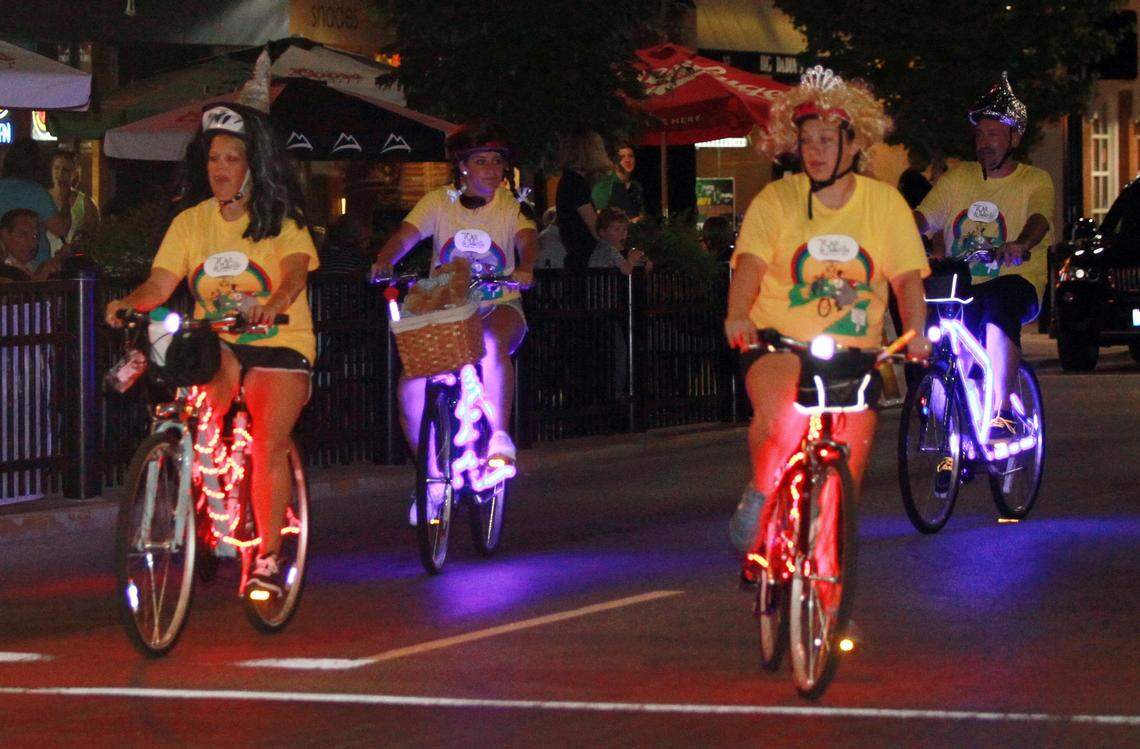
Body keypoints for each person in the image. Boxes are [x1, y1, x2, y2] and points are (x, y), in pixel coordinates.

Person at [105, 101, 319, 598]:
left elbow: (293, 271)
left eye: (231, 159)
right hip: (219, 341)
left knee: (267, 438)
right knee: (195, 400)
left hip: (279, 344)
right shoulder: (191, 223)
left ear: (252, 166)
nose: (220, 169)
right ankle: (197, 476)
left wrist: (274, 302)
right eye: (213, 159)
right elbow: (161, 283)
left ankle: (266, 556)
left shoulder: (281, 218)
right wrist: (129, 304)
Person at [723, 65, 932, 554]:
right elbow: (749, 267)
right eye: (807, 140)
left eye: (826, 139)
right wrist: (737, 314)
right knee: (782, 419)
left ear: (853, 144)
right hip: (778, 342)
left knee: (842, 494)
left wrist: (917, 331)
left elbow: (905, 281)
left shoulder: (886, 205)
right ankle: (761, 491)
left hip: (856, 355)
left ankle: (827, 606)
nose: (814, 151)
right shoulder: (777, 199)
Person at [371, 121, 538, 524]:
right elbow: (405, 235)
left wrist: (527, 266)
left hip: (498, 304)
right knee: (410, 385)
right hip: (446, 310)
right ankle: (431, 478)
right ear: (462, 166)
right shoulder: (437, 202)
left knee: (492, 344)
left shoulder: (511, 207)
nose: (491, 170)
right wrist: (384, 260)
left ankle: (498, 437)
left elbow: (526, 240)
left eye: (497, 162)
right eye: (481, 161)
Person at [913, 72, 1053, 442]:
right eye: (979, 135)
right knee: (930, 326)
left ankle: (1004, 412)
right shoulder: (959, 178)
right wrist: (900, 233)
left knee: (997, 306)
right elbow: (925, 218)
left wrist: (1020, 243)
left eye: (993, 134)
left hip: (1015, 281)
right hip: (961, 284)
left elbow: (1040, 218)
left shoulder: (1033, 180)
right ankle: (943, 408)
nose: (984, 143)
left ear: (1014, 138)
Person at [0, 139, 70, 269]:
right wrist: (66, 200)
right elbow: (61, 229)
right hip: (36, 265)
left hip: (4, 263)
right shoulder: (36, 192)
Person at [555, 129, 610, 270]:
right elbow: (595, 227)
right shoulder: (576, 183)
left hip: (578, 258)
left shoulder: (569, 180)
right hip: (585, 261)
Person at [47, 150, 100, 255]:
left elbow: (93, 234)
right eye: (56, 168)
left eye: (65, 170)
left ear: (74, 173)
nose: (60, 173)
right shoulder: (42, 197)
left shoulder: (85, 204)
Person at [588, 208, 651, 274]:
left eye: (624, 229)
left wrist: (642, 263)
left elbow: (624, 265)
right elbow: (626, 270)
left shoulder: (605, 248)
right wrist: (631, 260)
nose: (622, 233)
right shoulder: (608, 249)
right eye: (616, 229)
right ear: (603, 232)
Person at [0, 209, 56, 282]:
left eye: (35, 236)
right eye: (23, 234)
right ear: (5, 235)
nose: (32, 242)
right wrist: (40, 278)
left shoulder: (33, 267)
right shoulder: (4, 271)